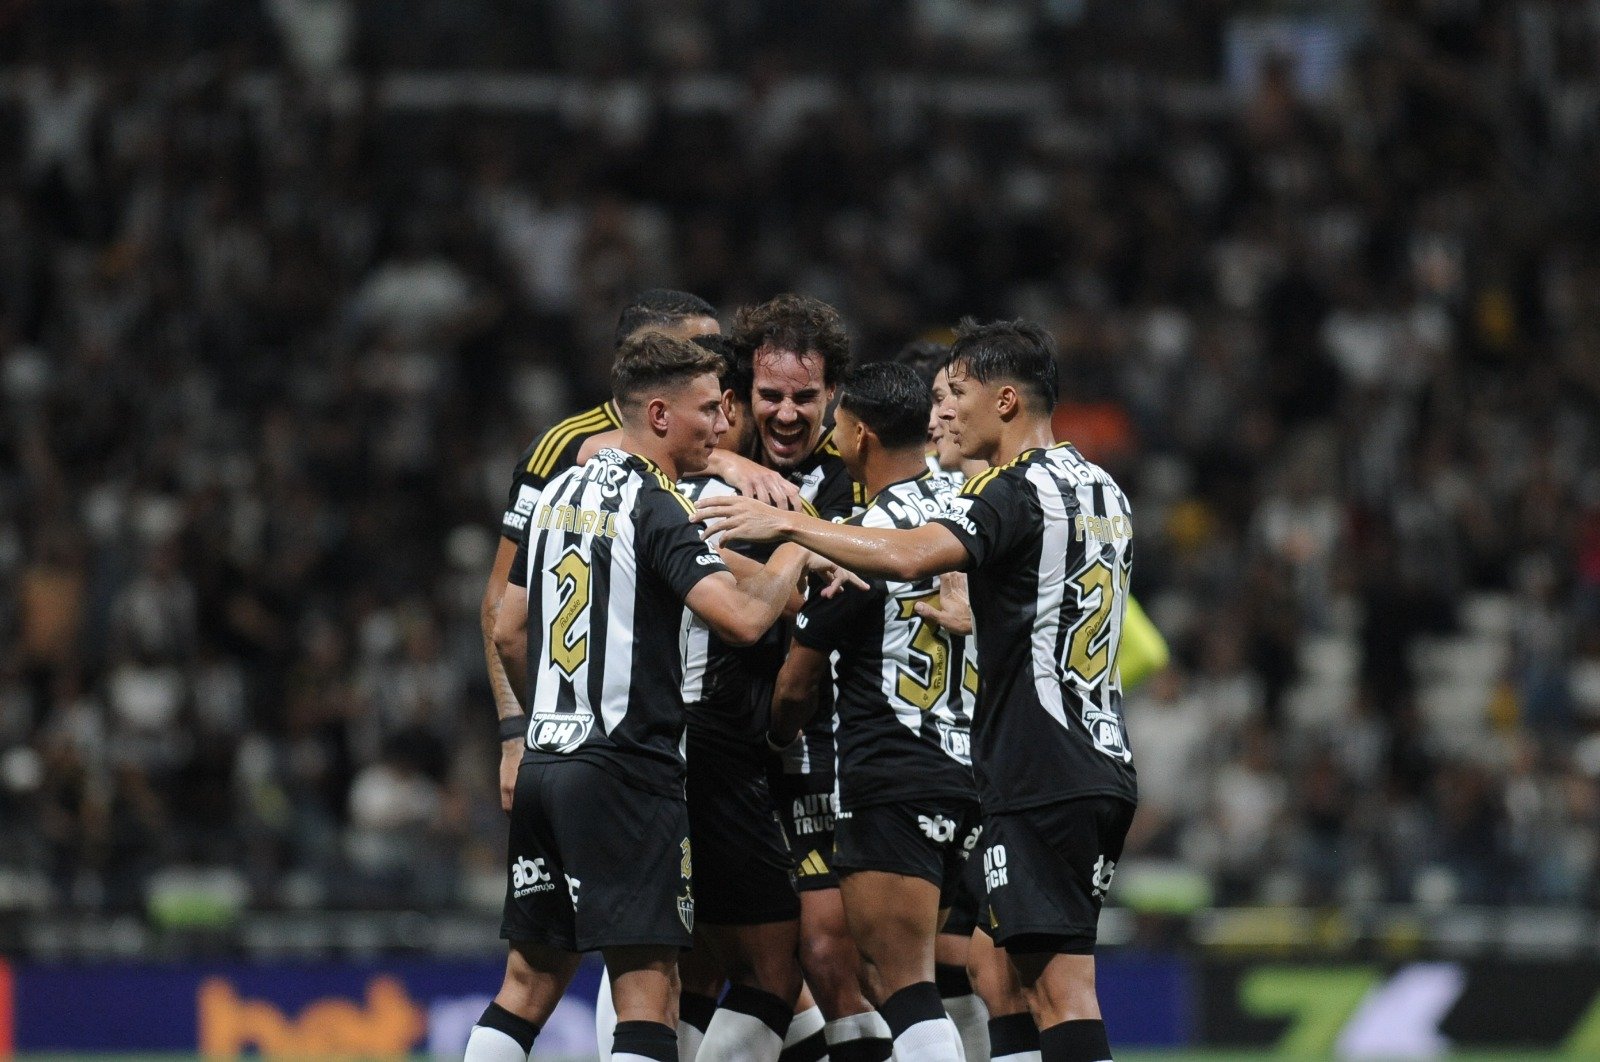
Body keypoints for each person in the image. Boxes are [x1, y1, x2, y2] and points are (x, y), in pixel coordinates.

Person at [696, 318, 1138, 1062]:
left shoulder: (1015, 490)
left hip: (1036, 767)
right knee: (1016, 978)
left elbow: (904, 557)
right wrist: (983, 617)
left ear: (1004, 402)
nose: (944, 414)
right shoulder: (1104, 489)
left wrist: (785, 524)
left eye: (956, 394)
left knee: (1030, 989)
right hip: (1098, 758)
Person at [469, 331, 822, 1062]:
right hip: (627, 773)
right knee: (649, 993)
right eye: (705, 412)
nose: (720, 428)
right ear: (659, 416)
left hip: (547, 766)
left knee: (526, 986)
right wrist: (797, 543)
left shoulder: (561, 490)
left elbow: (507, 628)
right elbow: (744, 621)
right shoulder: (655, 504)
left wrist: (548, 717)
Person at [769, 362, 979, 1062]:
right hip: (970, 772)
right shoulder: (970, 514)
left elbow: (798, 684)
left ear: (858, 435)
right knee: (930, 978)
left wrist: (772, 734)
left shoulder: (866, 537)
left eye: (836, 423)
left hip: (891, 772)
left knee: (903, 985)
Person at [727, 294, 892, 1062]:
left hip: (818, 751)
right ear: (743, 394)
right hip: (721, 757)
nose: (787, 414)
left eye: (804, 396)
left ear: (833, 396)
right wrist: (724, 460)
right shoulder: (707, 464)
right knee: (731, 965)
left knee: (826, 953)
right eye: (771, 396)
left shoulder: (853, 488)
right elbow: (602, 439)